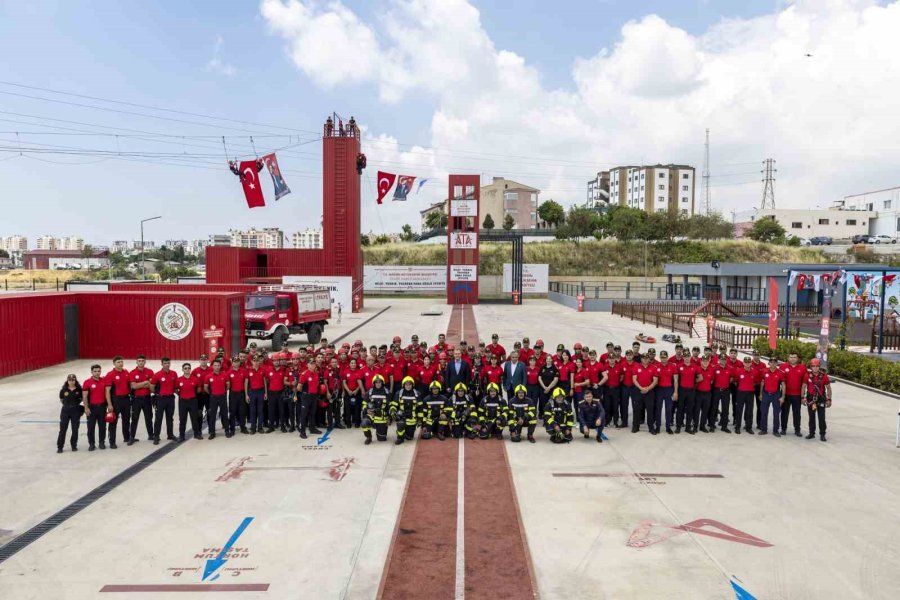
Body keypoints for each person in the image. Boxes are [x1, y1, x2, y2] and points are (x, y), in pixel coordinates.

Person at [104, 356, 131, 448]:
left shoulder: (126, 372)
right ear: (114, 364)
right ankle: (112, 442)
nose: (120, 363)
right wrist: (109, 404)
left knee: (126, 419)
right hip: (116, 400)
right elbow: (107, 391)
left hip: (126, 399)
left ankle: (127, 437)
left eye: (121, 361)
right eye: (118, 362)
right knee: (113, 421)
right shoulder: (110, 374)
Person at [802, 358, 832, 442]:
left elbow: (828, 388)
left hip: (821, 399)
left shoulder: (824, 376)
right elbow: (803, 386)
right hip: (811, 400)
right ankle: (812, 433)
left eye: (817, 366)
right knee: (811, 417)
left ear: (819, 366)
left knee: (821, 418)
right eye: (813, 366)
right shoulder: (807, 375)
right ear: (811, 367)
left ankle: (822, 434)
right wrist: (802, 397)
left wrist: (829, 399)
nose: (815, 368)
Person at [779, 352, 808, 437]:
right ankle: (783, 429)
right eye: (791, 357)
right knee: (784, 412)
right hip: (786, 394)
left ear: (797, 358)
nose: (792, 359)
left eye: (794, 357)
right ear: (788, 358)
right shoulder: (783, 367)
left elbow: (805, 383)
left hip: (797, 395)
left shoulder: (802, 368)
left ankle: (797, 430)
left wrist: (803, 396)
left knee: (797, 413)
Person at [150, 357, 178, 445]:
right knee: (158, 419)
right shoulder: (157, 375)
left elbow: (175, 386)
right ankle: (156, 436)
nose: (167, 365)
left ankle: (170, 435)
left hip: (170, 399)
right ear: (161, 364)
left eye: (168, 363)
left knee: (170, 418)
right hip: (160, 399)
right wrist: (157, 394)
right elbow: (151, 386)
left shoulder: (174, 374)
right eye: (165, 363)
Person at [128, 355, 154, 445]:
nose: (141, 362)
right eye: (139, 361)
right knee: (134, 419)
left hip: (147, 398)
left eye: (143, 361)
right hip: (136, 399)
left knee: (149, 418)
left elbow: (152, 386)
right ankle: (131, 437)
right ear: (136, 362)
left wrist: (140, 384)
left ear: (145, 362)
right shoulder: (132, 372)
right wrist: (146, 382)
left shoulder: (150, 372)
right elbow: (134, 386)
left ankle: (151, 435)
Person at [84, 364, 110, 451]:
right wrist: (86, 408)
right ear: (91, 372)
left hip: (102, 407)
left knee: (102, 426)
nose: (97, 373)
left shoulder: (104, 381)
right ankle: (91, 444)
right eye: (95, 371)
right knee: (91, 427)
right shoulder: (87, 382)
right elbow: (84, 396)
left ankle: (101, 442)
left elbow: (107, 393)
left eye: (98, 371)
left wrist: (109, 404)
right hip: (92, 408)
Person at [204, 359, 230, 439]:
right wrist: (211, 394)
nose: (217, 367)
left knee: (224, 415)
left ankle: (227, 431)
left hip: (222, 397)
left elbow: (228, 385)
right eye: (215, 365)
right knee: (212, 416)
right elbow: (205, 388)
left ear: (220, 366)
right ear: (212, 366)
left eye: (218, 365)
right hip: (213, 398)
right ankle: (212, 432)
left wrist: (223, 392)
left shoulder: (224, 375)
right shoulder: (208, 376)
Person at [296, 361, 323, 439]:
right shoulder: (304, 374)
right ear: (308, 365)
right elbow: (299, 387)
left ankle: (312, 428)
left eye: (314, 364)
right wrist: (305, 393)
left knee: (312, 413)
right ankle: (302, 432)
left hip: (314, 396)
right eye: (311, 364)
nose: (313, 365)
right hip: (306, 397)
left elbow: (317, 383)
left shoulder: (316, 373)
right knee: (304, 415)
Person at [632, 354, 658, 434]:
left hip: (649, 392)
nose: (645, 360)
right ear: (641, 359)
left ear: (649, 359)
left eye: (647, 358)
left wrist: (647, 389)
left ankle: (651, 428)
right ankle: (636, 427)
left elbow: (655, 381)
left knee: (650, 410)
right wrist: (641, 388)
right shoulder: (636, 367)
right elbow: (634, 379)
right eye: (643, 358)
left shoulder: (653, 368)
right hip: (638, 391)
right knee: (637, 410)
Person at [176, 363, 202, 441]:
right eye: (185, 368)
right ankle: (181, 436)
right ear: (182, 369)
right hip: (183, 402)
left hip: (192, 401)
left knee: (194, 419)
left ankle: (196, 434)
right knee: (182, 420)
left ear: (190, 369)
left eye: (188, 368)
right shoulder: (179, 379)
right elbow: (176, 389)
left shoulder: (195, 379)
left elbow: (199, 389)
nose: (187, 369)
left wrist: (193, 395)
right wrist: (182, 395)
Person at [654, 351, 678, 434]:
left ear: (667, 357)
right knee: (658, 409)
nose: (663, 359)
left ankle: (668, 427)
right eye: (662, 357)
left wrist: (675, 392)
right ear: (660, 357)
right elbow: (654, 380)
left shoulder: (672, 366)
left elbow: (675, 380)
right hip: (659, 390)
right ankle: (658, 426)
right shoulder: (656, 366)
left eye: (664, 357)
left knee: (669, 409)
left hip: (669, 390)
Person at [759, 358, 785, 437]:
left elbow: (783, 385)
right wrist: (760, 394)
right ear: (769, 363)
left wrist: (783, 396)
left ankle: (775, 430)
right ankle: (764, 429)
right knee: (764, 412)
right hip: (766, 394)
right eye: (771, 362)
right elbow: (762, 383)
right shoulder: (764, 371)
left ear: (777, 364)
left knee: (776, 413)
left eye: (774, 362)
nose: (773, 364)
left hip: (776, 395)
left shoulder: (780, 373)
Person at [361, 375, 390, 445]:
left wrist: (389, 418)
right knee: (364, 423)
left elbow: (390, 406)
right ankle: (368, 437)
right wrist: (366, 410)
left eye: (379, 382)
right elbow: (364, 403)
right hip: (371, 415)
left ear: (382, 383)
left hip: (382, 416)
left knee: (381, 439)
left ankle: (380, 431)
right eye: (376, 382)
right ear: (373, 383)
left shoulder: (387, 392)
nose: (378, 384)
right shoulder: (369, 392)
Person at [58, 374, 83, 453]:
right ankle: (60, 447)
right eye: (70, 380)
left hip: (75, 410)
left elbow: (82, 399)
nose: (71, 382)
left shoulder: (79, 390)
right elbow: (62, 399)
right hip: (65, 411)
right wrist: (67, 405)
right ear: (67, 381)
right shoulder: (63, 390)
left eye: (73, 380)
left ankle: (73, 445)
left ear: (75, 381)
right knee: (63, 429)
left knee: (75, 429)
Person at [392, 376, 421, 444]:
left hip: (412, 417)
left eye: (410, 384)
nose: (408, 386)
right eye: (406, 384)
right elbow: (394, 404)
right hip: (402, 416)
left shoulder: (417, 394)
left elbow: (420, 408)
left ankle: (405, 433)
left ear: (412, 385)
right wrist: (393, 411)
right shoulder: (399, 393)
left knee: (409, 438)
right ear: (403, 385)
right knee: (400, 424)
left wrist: (419, 419)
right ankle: (400, 438)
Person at [734, 358, 757, 435]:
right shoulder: (738, 371)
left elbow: (755, 382)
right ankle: (737, 427)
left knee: (749, 411)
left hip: (750, 393)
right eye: (746, 362)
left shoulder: (754, 372)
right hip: (741, 393)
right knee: (739, 410)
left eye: (749, 362)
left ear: (751, 363)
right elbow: (735, 381)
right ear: (743, 363)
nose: (747, 363)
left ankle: (748, 427)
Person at [227, 355, 249, 435]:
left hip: (241, 394)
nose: (236, 363)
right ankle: (232, 429)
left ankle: (243, 427)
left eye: (237, 362)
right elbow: (228, 385)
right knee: (232, 412)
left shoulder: (244, 371)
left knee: (242, 412)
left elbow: (246, 383)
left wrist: (246, 394)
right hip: (233, 394)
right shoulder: (229, 372)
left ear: (239, 362)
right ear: (232, 363)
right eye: (234, 362)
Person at [246, 354, 267, 435]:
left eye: (257, 360)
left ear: (259, 361)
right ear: (252, 361)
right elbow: (246, 383)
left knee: (260, 410)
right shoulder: (249, 370)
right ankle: (253, 428)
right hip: (252, 392)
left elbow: (264, 381)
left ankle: (260, 427)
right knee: (252, 410)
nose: (256, 362)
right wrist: (246, 395)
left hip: (261, 392)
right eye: (254, 361)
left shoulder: (263, 370)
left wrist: (265, 393)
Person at [713, 355, 733, 433]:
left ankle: (724, 426)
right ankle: (712, 425)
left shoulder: (730, 368)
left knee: (725, 409)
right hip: (717, 390)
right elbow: (712, 379)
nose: (723, 361)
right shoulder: (715, 368)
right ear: (719, 359)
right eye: (721, 359)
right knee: (714, 408)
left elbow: (731, 378)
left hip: (726, 391)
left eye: (724, 359)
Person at [537, 354, 559, 419]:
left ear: (552, 360)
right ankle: (545, 418)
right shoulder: (542, 367)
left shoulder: (555, 368)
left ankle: (551, 417)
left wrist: (549, 388)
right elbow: (539, 378)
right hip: (543, 389)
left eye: (550, 359)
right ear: (545, 360)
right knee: (543, 404)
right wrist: (544, 387)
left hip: (551, 390)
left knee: (551, 403)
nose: (548, 360)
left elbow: (556, 379)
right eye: (547, 359)